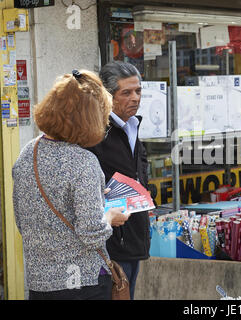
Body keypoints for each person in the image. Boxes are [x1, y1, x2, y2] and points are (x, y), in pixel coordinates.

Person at [12, 70, 129, 300]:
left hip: (40, 283)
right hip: (82, 282)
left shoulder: (28, 153)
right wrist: (110, 216)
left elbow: (22, 220)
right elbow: (92, 234)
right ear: (89, 119)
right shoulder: (83, 162)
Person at [86, 61, 150, 300]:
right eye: (126, 92)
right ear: (108, 96)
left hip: (134, 236)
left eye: (138, 91)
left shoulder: (132, 125)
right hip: (109, 241)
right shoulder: (96, 132)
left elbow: (138, 172)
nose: (135, 98)